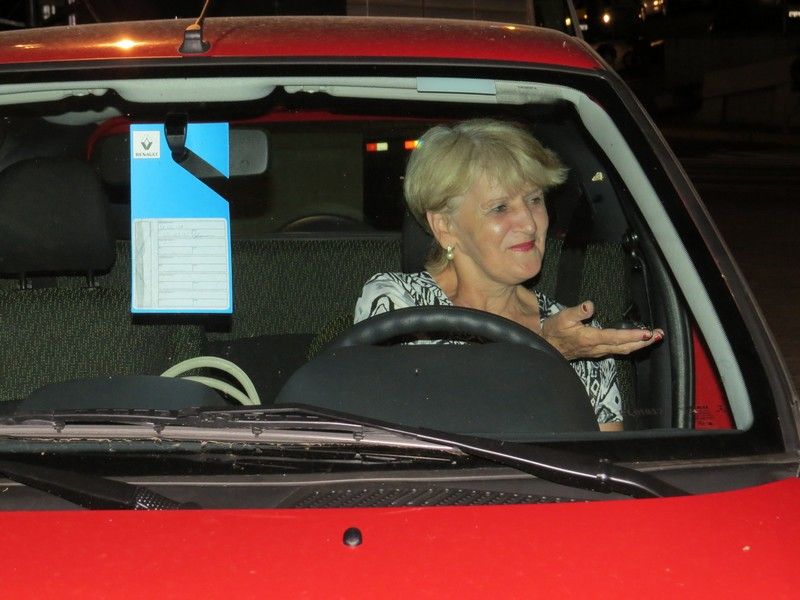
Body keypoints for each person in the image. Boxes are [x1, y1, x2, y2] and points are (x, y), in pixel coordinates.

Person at [354, 119, 664, 431]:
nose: (529, 223)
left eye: (535, 200)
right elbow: (406, 431)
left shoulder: (576, 333)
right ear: (445, 227)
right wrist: (546, 352)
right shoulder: (399, 304)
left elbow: (603, 455)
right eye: (500, 208)